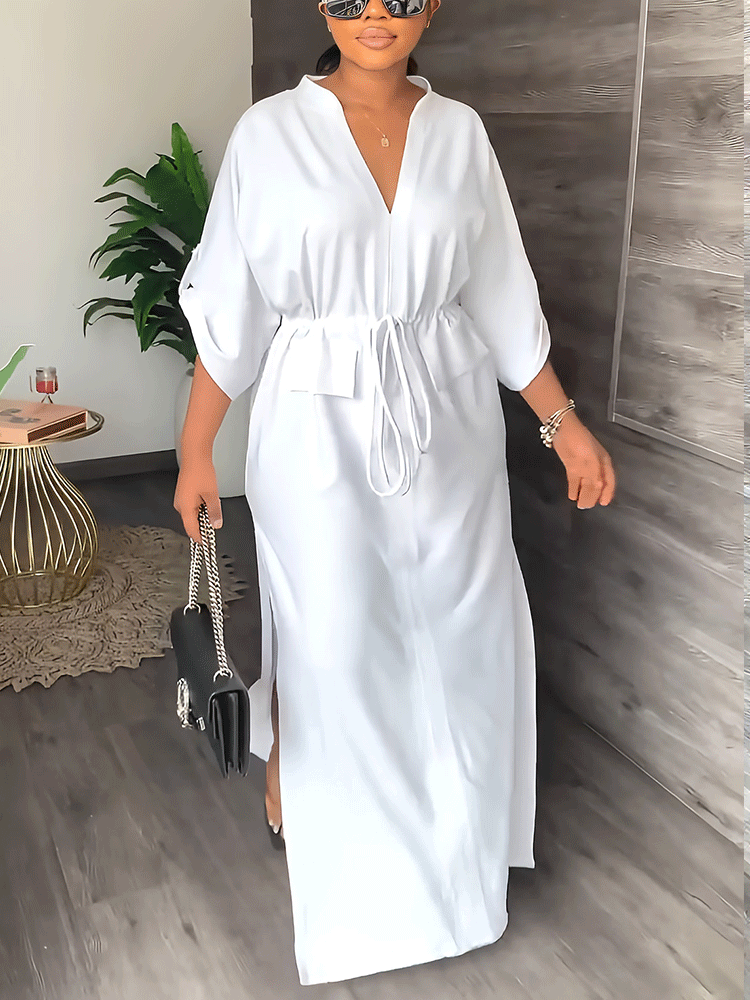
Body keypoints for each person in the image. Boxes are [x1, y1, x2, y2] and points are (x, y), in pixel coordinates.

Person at [173, 0, 616, 986]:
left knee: (465, 634)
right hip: (313, 428)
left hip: (449, 425)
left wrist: (561, 422)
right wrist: (196, 449)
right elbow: (232, 306)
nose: (376, 14)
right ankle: (326, 826)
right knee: (334, 635)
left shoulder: (460, 133)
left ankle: (456, 871)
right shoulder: (269, 135)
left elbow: (499, 293)